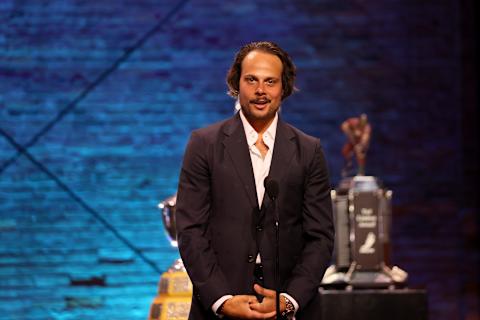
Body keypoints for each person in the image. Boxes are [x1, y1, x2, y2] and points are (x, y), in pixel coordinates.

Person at [176, 41, 334, 319]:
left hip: (289, 306)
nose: (261, 91)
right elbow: (190, 231)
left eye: (270, 82)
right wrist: (222, 300)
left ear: (283, 88)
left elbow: (320, 237)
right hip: (221, 304)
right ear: (236, 84)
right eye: (252, 80)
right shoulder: (204, 144)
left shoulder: (309, 150)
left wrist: (289, 300)